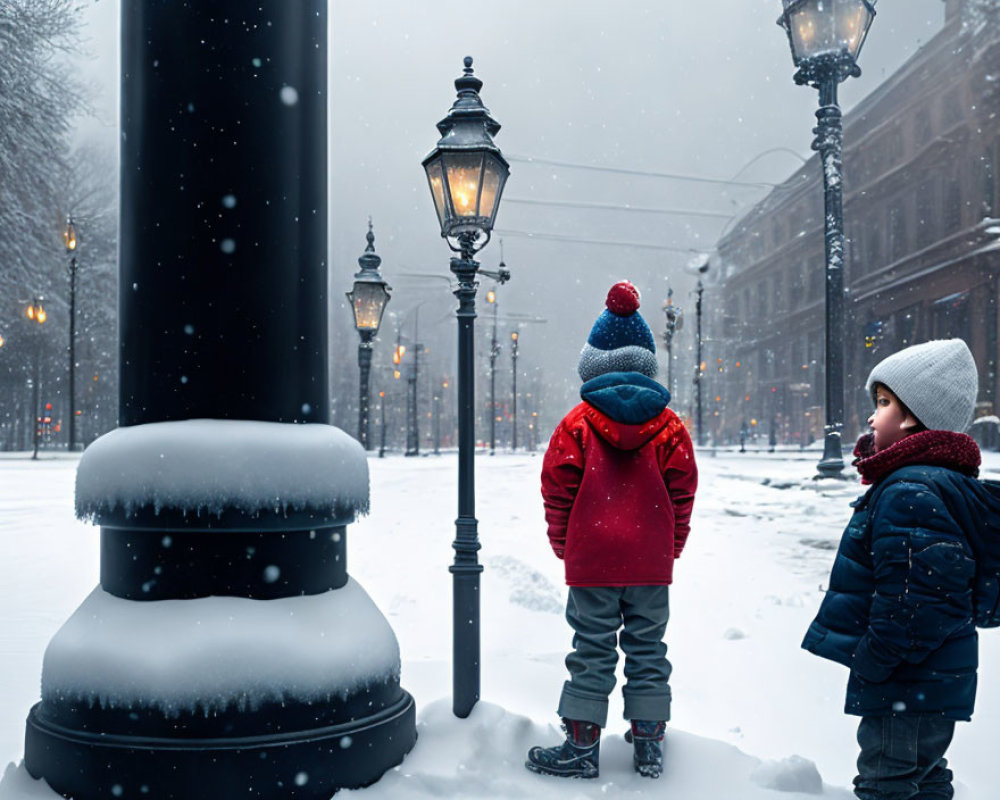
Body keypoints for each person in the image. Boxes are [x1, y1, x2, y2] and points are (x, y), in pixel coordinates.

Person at [802, 338, 1000, 800]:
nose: (872, 417)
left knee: (885, 783)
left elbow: (918, 600)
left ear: (911, 415)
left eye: (884, 403)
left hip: (908, 682)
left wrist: (876, 659)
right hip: (927, 682)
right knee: (924, 777)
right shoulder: (932, 481)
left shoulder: (909, 489)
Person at [525, 281, 698, 780]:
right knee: (648, 647)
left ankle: (581, 745)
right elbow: (682, 492)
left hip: (593, 559)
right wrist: (672, 545)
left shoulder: (575, 425)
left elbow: (556, 490)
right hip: (649, 562)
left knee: (592, 647)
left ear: (591, 367)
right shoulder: (670, 427)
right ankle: (648, 742)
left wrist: (565, 544)